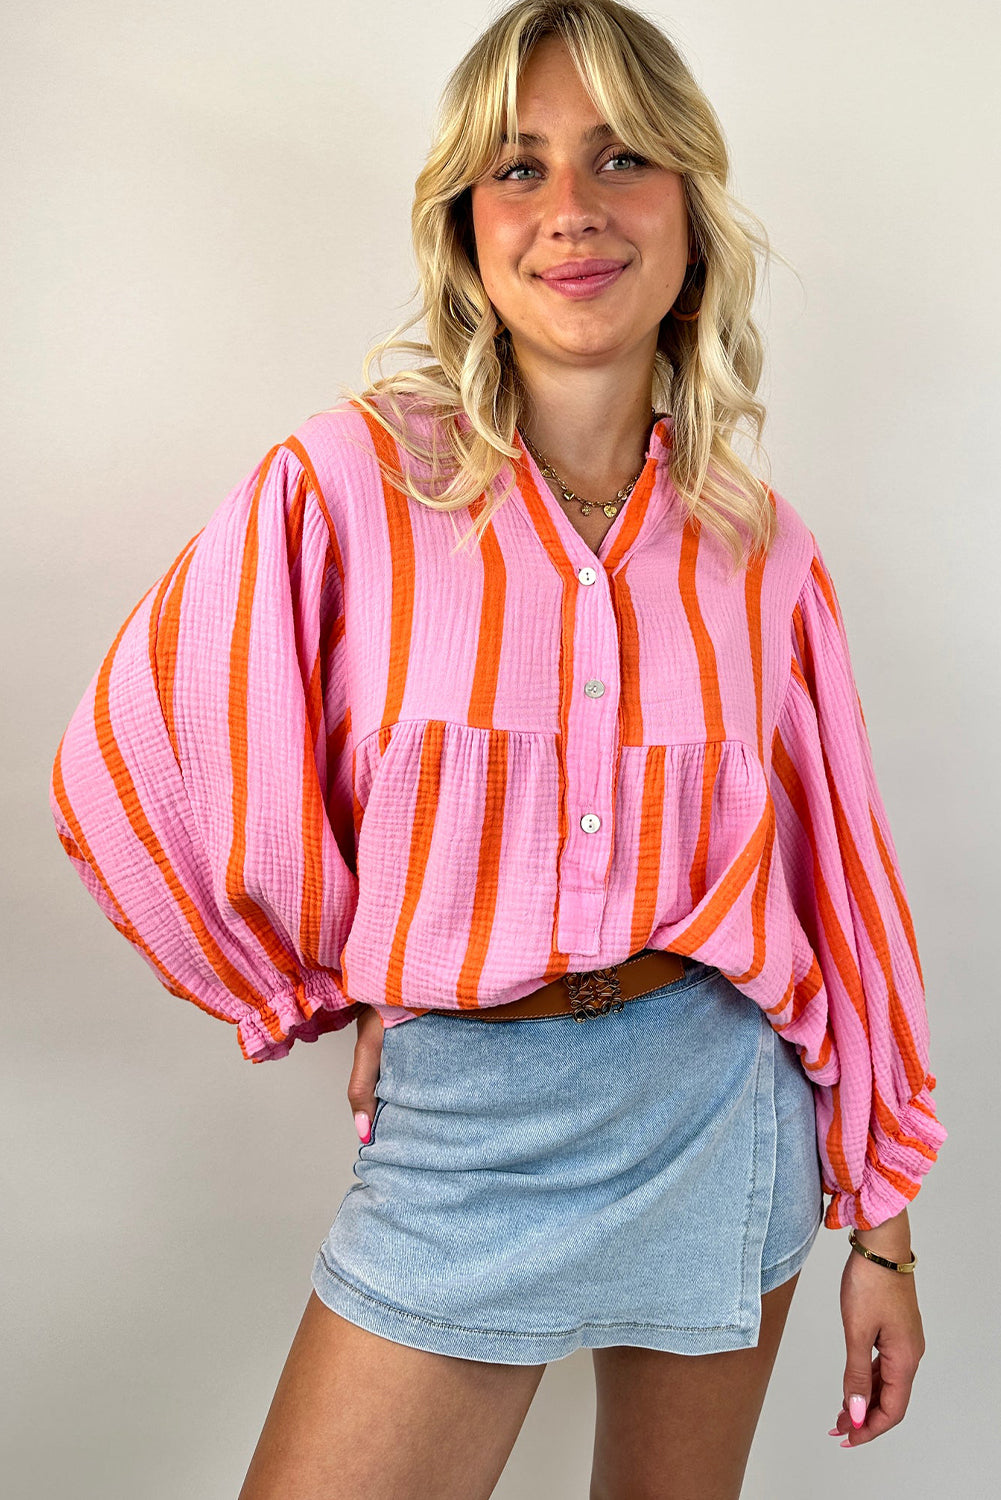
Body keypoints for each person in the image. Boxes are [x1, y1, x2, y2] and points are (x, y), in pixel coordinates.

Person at [48, 4, 946, 1497]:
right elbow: (137, 756)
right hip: (466, 1128)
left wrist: (887, 1229)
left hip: (718, 1102)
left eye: (622, 159)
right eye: (516, 170)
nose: (573, 210)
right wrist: (328, 983)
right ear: (466, 229)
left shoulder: (762, 551)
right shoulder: (348, 484)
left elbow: (839, 880)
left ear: (689, 214)